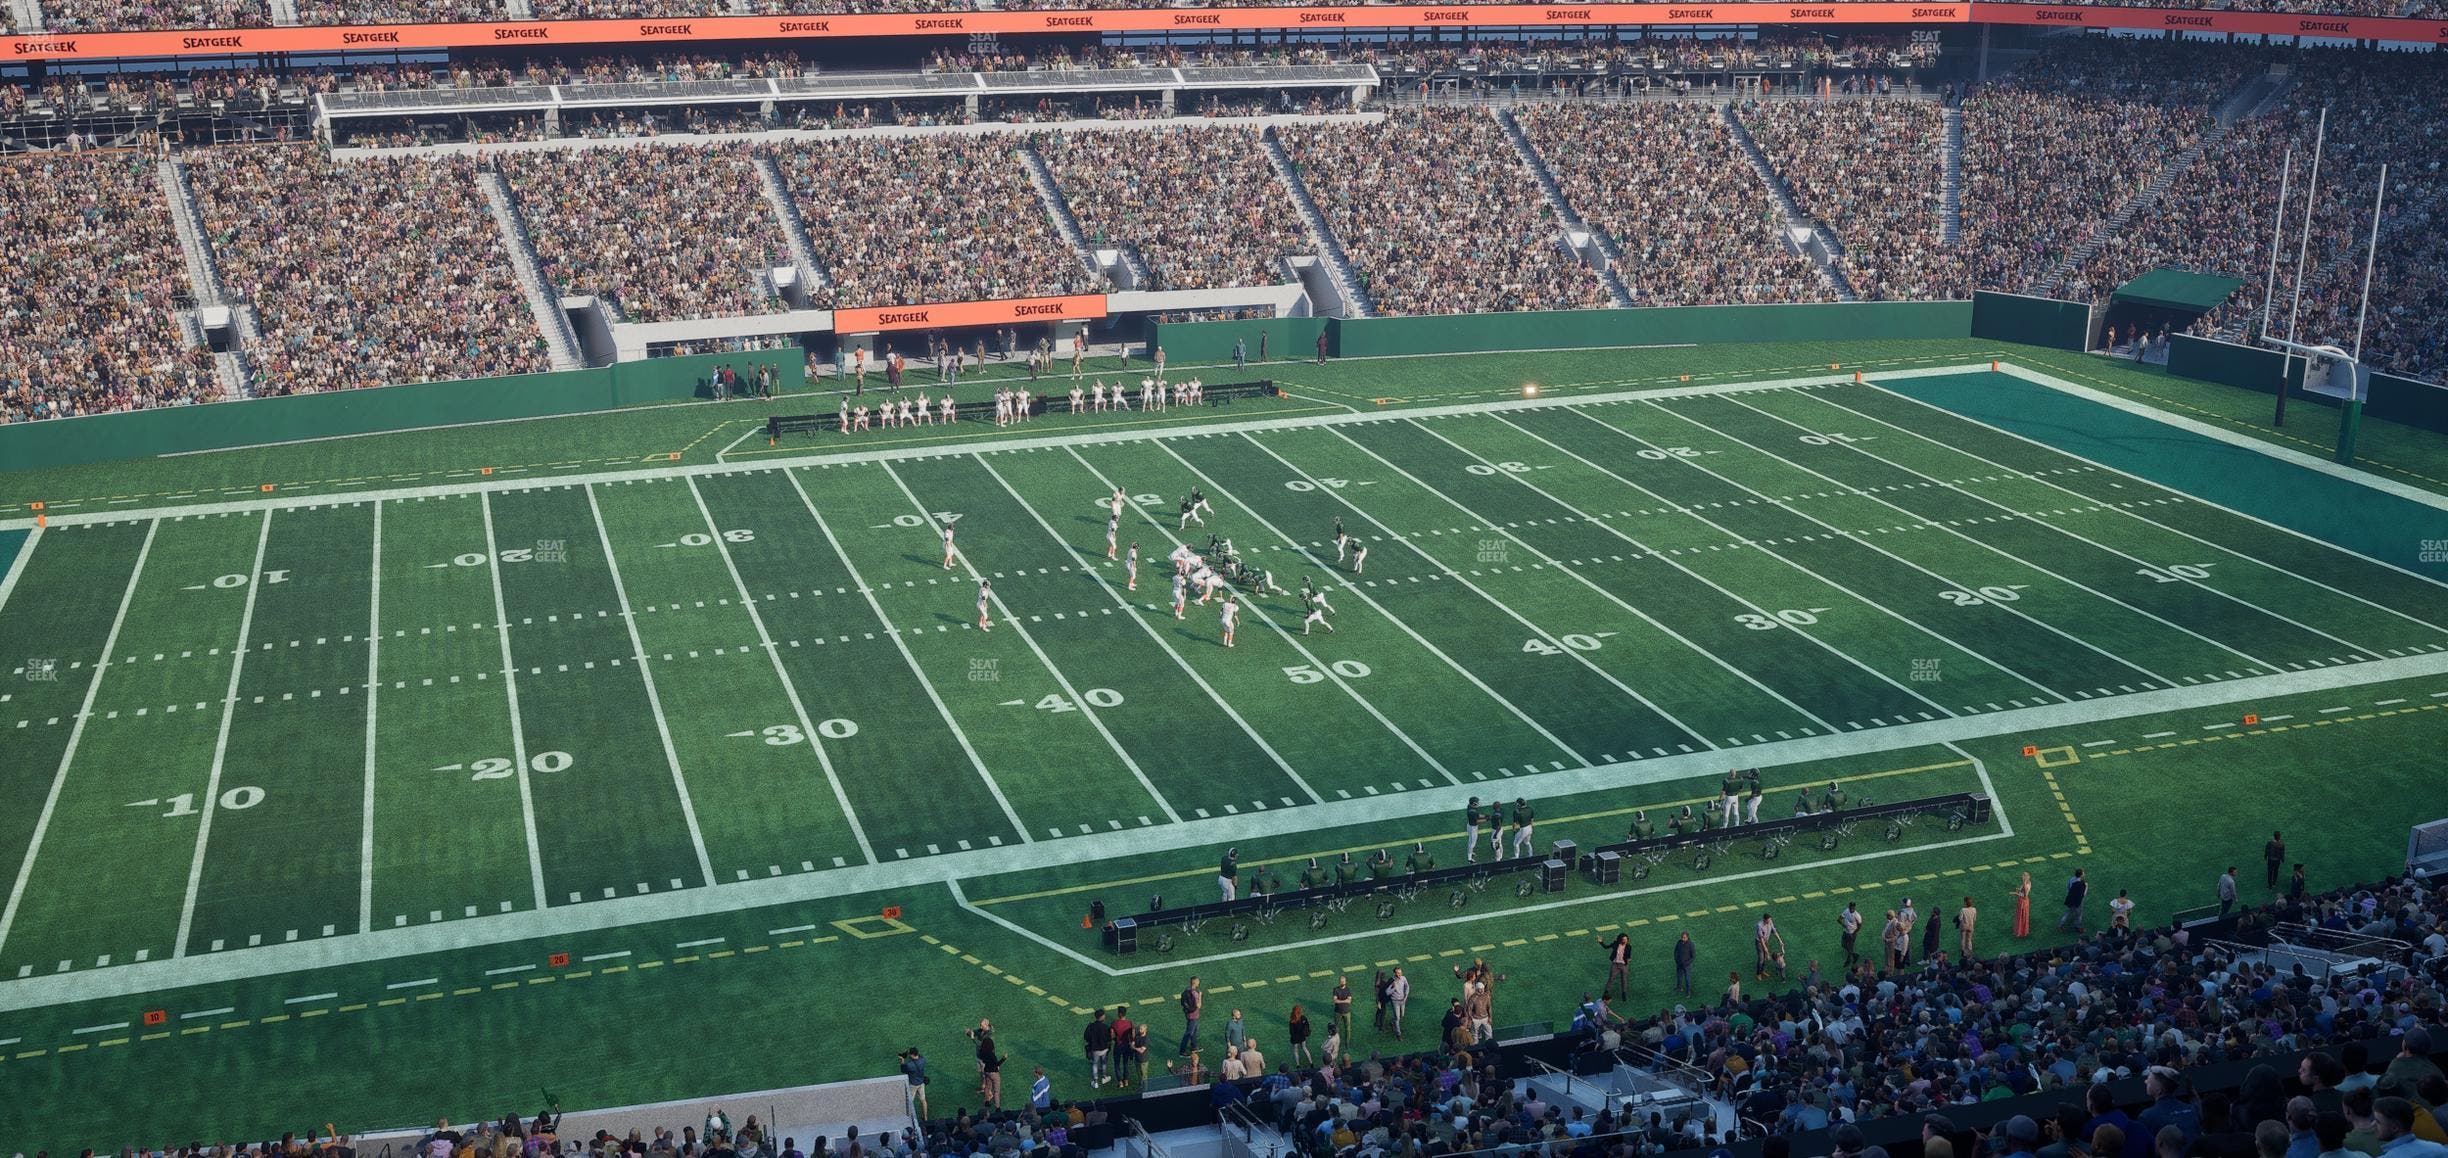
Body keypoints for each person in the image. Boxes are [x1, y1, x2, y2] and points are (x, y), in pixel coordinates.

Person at [1083, 1009, 1112, 1089]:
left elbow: (1086, 1037)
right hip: (1104, 1049)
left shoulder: (1091, 1026)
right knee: (1104, 1063)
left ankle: (1095, 1082)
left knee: (1095, 1064)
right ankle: (1104, 1077)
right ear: (1102, 1016)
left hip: (1095, 1049)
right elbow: (1109, 1038)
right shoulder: (1106, 1027)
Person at [899, 1047, 930, 1120]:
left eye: (910, 1054)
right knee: (923, 1100)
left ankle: (909, 1118)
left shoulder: (910, 1065)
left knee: (910, 1102)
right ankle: (925, 1117)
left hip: (913, 1085)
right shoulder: (922, 1060)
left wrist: (902, 1060)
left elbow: (903, 1070)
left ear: (912, 1055)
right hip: (921, 1083)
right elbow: (918, 1056)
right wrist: (908, 1052)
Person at [1600, 933, 1631, 1000]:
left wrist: (1628, 961)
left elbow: (1629, 955)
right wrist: (1601, 942)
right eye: (1624, 939)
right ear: (1620, 940)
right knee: (1611, 978)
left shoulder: (1629, 946)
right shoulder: (1616, 944)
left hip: (1624, 965)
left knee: (1624, 980)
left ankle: (1624, 993)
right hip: (1615, 964)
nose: (1625, 941)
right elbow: (1606, 947)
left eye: (1626, 939)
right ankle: (1606, 991)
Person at [1177, 977, 1203, 1057]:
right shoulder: (1195, 993)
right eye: (1198, 981)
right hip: (1193, 1015)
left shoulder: (1187, 990)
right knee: (1188, 1033)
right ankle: (1182, 1051)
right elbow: (1199, 1005)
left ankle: (1194, 1046)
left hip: (1188, 1014)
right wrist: (1200, 996)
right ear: (1195, 982)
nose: (1199, 982)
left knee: (1194, 1030)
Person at [1387, 967, 1409, 1039]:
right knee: (1397, 1018)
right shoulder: (1391, 981)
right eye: (1398, 973)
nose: (1399, 974)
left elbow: (1407, 986)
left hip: (1402, 1000)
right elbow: (1387, 992)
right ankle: (1398, 1034)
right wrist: (1394, 988)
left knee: (1402, 1015)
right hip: (1395, 1001)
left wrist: (1406, 995)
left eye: (1400, 972)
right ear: (1395, 973)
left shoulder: (1403, 978)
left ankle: (1392, 1021)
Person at [1839, 902, 1863, 968]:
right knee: (1843, 944)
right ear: (1849, 907)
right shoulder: (1846, 911)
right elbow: (1839, 919)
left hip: (1852, 933)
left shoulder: (1857, 915)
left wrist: (1854, 933)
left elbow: (1860, 925)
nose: (1851, 908)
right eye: (1850, 907)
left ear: (1855, 907)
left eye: (1853, 907)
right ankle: (1854, 955)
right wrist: (1843, 924)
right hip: (1845, 932)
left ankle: (1848, 961)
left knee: (1850, 947)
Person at [1672, 930, 1695, 996]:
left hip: (1686, 966)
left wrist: (1687, 963)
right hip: (1679, 964)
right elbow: (1675, 951)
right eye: (1682, 937)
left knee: (1687, 979)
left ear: (1687, 937)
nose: (1682, 939)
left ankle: (1688, 992)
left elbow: (1693, 956)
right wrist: (1676, 959)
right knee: (1679, 977)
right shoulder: (1679, 942)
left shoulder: (1691, 945)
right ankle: (1679, 987)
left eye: (1684, 937)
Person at [1464, 797, 1487, 863]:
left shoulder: (1470, 807)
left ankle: (1470, 852)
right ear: (1474, 803)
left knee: (1470, 841)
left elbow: (1478, 815)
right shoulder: (1472, 812)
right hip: (1473, 828)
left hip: (1470, 826)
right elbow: (1476, 821)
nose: (1478, 803)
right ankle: (1469, 859)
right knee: (1472, 843)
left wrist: (1485, 816)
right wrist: (1486, 819)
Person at [1957, 895, 1979, 959]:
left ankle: (1963, 952)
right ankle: (1970, 951)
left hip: (1964, 926)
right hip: (1971, 926)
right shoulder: (1974, 909)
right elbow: (1974, 919)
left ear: (1965, 903)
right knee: (1969, 940)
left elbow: (1960, 918)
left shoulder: (1963, 910)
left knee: (1963, 939)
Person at [2012, 871, 2033, 939]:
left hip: (2023, 902)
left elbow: (2025, 896)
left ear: (2025, 877)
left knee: (2021, 916)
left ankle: (2021, 932)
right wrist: (2018, 890)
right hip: (2022, 901)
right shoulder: (2028, 883)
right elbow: (2022, 892)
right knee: (2021, 916)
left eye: (2023, 876)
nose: (2021, 877)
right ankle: (2021, 931)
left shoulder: (2025, 884)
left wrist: (2016, 893)